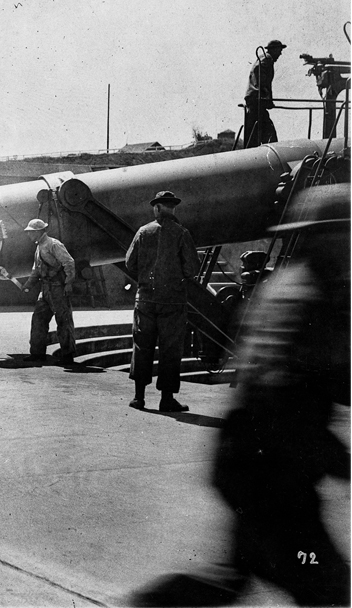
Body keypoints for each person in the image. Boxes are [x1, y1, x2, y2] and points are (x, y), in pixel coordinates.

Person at [129, 186, 350, 606]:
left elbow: (132, 262)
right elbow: (291, 397)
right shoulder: (316, 296)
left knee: (235, 574)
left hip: (243, 456)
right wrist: (336, 459)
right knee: (327, 586)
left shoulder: (282, 285)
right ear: (329, 237)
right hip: (273, 464)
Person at [124, 191, 198, 412]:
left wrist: (146, 275)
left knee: (142, 346)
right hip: (173, 302)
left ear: (156, 209)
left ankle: (139, 398)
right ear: (172, 209)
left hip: (145, 300)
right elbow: (192, 269)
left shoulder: (142, 232)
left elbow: (130, 263)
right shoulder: (182, 234)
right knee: (170, 349)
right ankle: (167, 400)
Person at [21, 219, 77, 366]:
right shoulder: (39, 247)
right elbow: (36, 270)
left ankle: (68, 356)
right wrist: (28, 285)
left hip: (58, 288)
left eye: (31, 232)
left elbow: (69, 262)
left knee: (63, 321)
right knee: (38, 320)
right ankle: (37, 353)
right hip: (45, 289)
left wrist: (69, 283)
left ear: (39, 231)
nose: (29, 235)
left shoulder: (54, 244)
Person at [243, 39, 285, 148]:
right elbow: (260, 74)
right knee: (269, 133)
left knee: (254, 132)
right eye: (279, 50)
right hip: (257, 99)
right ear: (274, 50)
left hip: (253, 99)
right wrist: (264, 94)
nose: (280, 53)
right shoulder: (267, 59)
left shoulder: (263, 58)